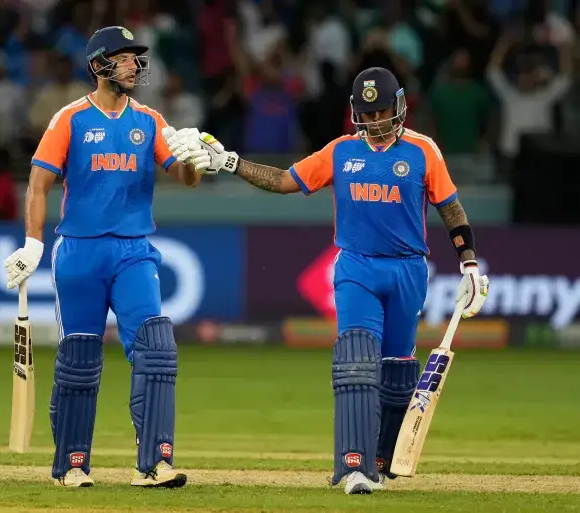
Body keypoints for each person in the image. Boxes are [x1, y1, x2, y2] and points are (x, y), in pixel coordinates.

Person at [166, 67, 490, 494]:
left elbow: (451, 208)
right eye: (367, 113)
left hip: (409, 270)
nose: (375, 120)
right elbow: (284, 180)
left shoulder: (423, 151)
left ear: (399, 107)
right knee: (356, 360)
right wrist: (231, 162)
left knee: (398, 373)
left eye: (382, 111)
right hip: (357, 268)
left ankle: (382, 461)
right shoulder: (340, 151)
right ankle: (353, 466)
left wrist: (469, 263)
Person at [3, 26, 206, 488]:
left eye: (136, 57)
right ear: (99, 65)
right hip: (79, 252)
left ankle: (154, 463)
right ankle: (72, 465)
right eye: (125, 57)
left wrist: (193, 159)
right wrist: (33, 243)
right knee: (79, 359)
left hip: (134, 251)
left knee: (156, 349)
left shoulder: (150, 121)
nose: (135, 65)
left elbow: (186, 179)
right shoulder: (70, 119)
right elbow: (38, 184)